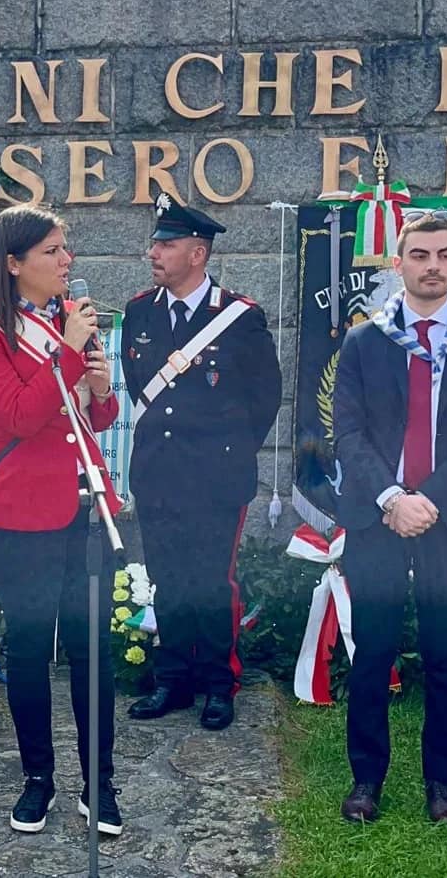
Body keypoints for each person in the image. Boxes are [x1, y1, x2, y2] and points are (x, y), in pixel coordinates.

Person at [0, 203, 124, 836]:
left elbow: (92, 421)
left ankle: (98, 782)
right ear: (14, 263)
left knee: (91, 651)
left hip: (86, 507)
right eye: (53, 251)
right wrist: (74, 352)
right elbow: (20, 417)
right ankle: (38, 779)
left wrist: (103, 391)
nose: (67, 261)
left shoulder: (67, 321)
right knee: (29, 649)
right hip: (21, 511)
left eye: (66, 248)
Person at [333, 211, 447, 824]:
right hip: (378, 518)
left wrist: (425, 497)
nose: (432, 265)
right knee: (373, 651)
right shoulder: (364, 340)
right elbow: (348, 435)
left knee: (440, 655)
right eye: (420, 254)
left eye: (444, 254)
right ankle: (366, 781)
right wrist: (391, 499)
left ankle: (441, 782)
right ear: (398, 262)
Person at [122, 193, 281, 731]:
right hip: (158, 473)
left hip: (216, 479)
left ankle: (218, 683)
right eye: (153, 242)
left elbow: (265, 399)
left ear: (198, 252)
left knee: (213, 583)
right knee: (167, 580)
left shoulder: (239, 319)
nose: (153, 252)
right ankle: (172, 679)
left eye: (166, 244)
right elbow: (139, 390)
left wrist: (227, 452)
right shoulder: (141, 312)